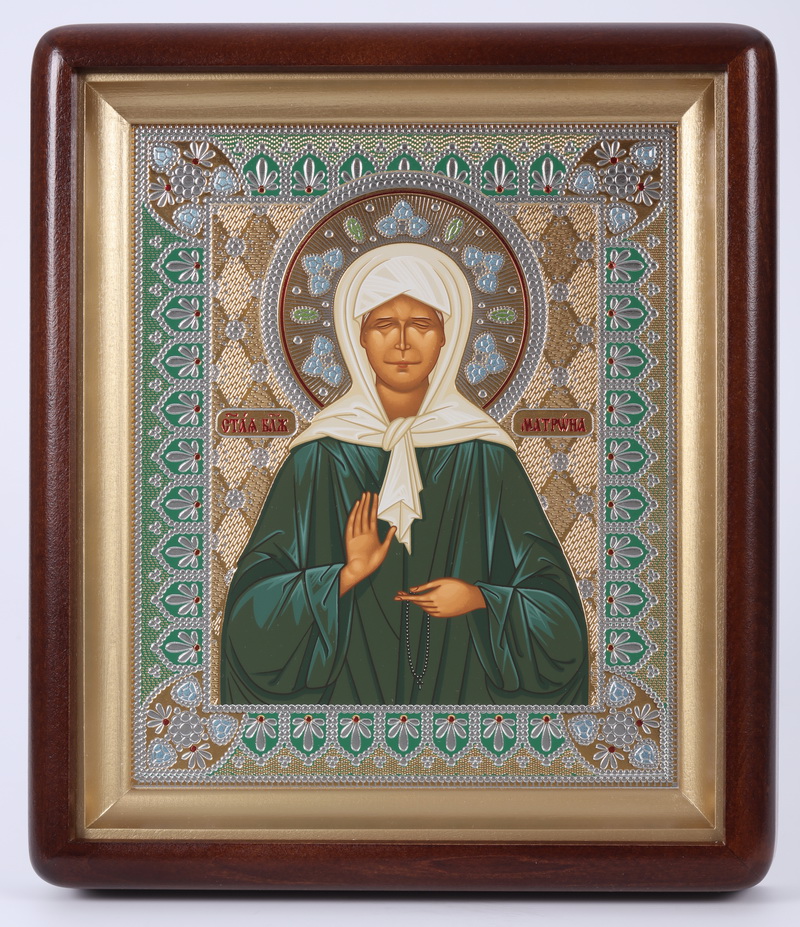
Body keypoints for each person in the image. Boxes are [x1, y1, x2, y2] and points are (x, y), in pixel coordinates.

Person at [220, 242, 588, 706]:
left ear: (447, 336)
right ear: (357, 336)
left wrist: (479, 599)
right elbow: (247, 622)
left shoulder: (485, 457)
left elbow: (561, 621)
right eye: (383, 324)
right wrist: (344, 576)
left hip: (463, 705)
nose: (401, 343)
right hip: (345, 710)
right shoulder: (317, 458)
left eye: (421, 324)